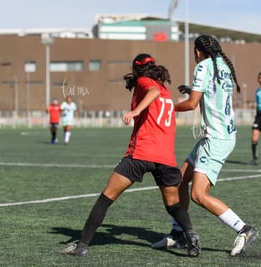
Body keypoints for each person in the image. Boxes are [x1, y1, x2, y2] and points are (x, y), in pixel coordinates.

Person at [62, 53, 200, 257]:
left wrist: (135, 112)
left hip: (142, 153)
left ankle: (82, 245)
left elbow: (151, 91)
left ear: (137, 69)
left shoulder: (147, 83)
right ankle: (191, 235)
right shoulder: (165, 90)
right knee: (173, 205)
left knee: (106, 198)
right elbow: (160, 96)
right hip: (166, 158)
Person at [152, 35, 258, 256]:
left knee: (198, 195)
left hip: (215, 139)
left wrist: (166, 106)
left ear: (198, 52)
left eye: (194, 51)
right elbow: (211, 95)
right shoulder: (224, 67)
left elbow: (191, 105)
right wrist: (192, 90)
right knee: (180, 181)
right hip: (220, 135)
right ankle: (179, 233)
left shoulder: (203, 65)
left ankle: (244, 229)